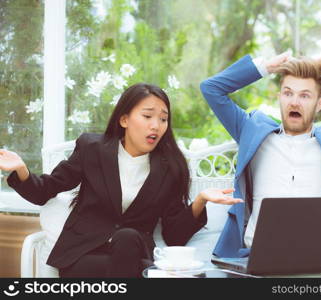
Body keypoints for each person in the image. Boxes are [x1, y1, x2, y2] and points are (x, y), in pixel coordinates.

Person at [0, 83, 243, 277]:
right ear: (124, 120)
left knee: (127, 237)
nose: (156, 125)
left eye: (163, 119)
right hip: (83, 256)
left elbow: (174, 236)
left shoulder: (170, 167)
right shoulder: (92, 148)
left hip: (133, 255)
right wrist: (21, 169)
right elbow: (45, 190)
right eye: (148, 116)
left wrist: (200, 201)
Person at [200, 51, 321, 259]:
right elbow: (211, 89)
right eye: (288, 93)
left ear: (320, 104)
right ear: (279, 97)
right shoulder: (251, 130)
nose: (294, 102)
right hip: (254, 259)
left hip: (318, 261)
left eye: (305, 95)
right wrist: (265, 68)